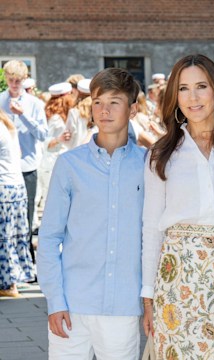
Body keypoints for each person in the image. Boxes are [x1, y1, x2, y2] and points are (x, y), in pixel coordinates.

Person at [37, 68, 146, 359]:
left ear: (132, 109)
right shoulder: (69, 165)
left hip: (122, 307)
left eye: (114, 102)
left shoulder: (149, 166)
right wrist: (55, 301)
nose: (104, 110)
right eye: (98, 101)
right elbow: (48, 237)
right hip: (71, 306)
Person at [142, 54, 214, 359]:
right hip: (177, 280)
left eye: (201, 86)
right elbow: (150, 227)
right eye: (184, 88)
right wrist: (148, 299)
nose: (193, 97)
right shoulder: (161, 154)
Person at [0, 60, 47, 266]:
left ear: (24, 79)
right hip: (3, 168)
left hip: (27, 166)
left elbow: (43, 134)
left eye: (18, 80)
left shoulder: (34, 104)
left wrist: (23, 116)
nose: (14, 84)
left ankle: (26, 261)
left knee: (26, 216)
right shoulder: (0, 100)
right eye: (10, 80)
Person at [0, 110, 35, 297]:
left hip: (3, 187)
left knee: (4, 237)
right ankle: (15, 278)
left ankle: (8, 284)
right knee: (14, 235)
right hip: (16, 185)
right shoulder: (7, 124)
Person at [37, 82, 74, 208]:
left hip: (59, 161)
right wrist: (60, 139)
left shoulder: (65, 115)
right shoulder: (56, 119)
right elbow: (44, 142)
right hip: (51, 162)